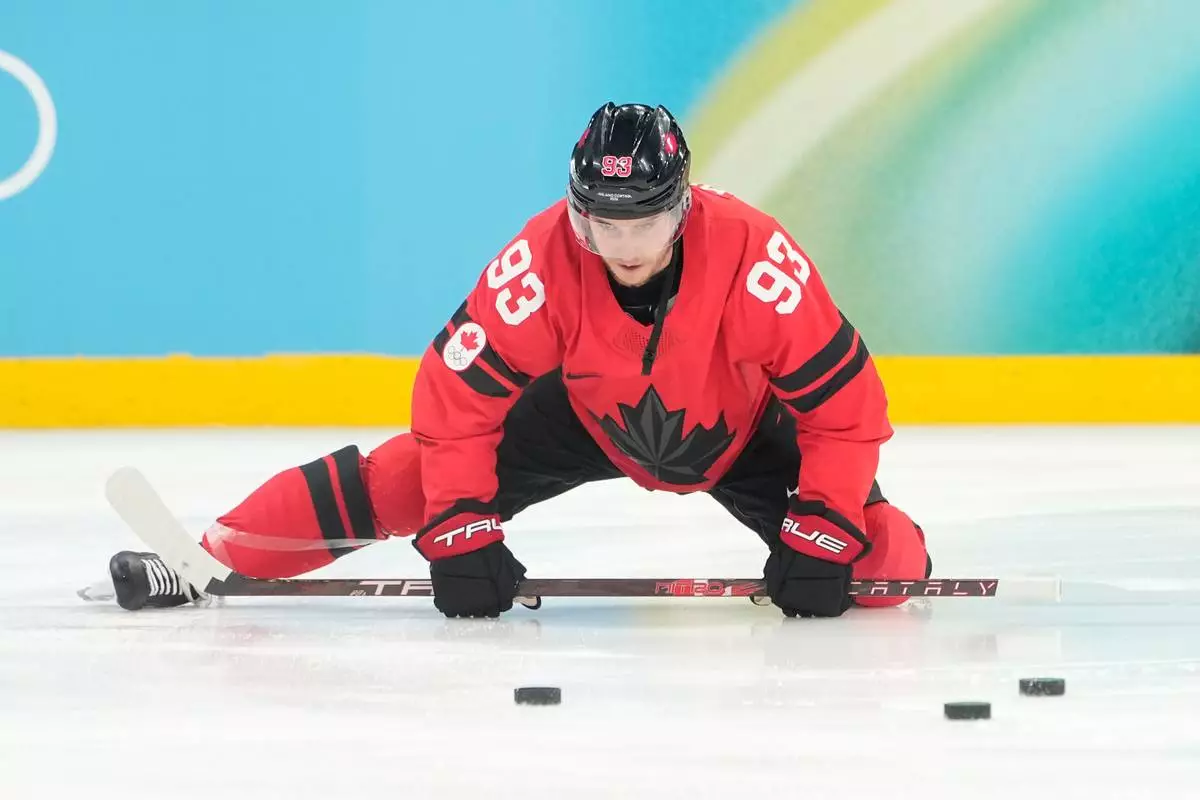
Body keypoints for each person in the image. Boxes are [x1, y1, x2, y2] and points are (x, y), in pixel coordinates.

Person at [109, 102, 930, 618]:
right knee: (405, 482)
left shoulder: (756, 258)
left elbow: (847, 408)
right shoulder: (538, 262)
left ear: (682, 206)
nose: (622, 244)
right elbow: (452, 398)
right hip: (585, 416)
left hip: (744, 428)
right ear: (578, 210)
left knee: (886, 562)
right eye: (601, 223)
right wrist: (459, 528)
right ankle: (205, 556)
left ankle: (885, 546)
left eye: (642, 221)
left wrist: (823, 525)